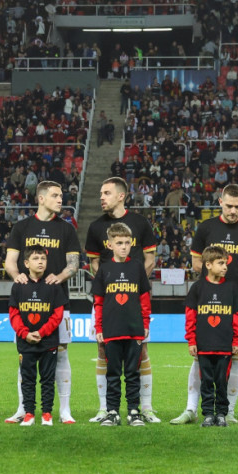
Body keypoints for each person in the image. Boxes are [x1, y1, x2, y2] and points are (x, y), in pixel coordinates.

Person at [171, 183, 238, 425]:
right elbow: (196, 263)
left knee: (237, 354)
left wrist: (233, 285)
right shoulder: (206, 227)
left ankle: (228, 410)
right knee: (200, 357)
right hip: (208, 302)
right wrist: (215, 285)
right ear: (220, 202)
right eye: (229, 206)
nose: (233, 211)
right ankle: (191, 409)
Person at [4, 181, 82, 424]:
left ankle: (64, 410)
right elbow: (10, 260)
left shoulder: (67, 229)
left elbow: (74, 263)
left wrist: (60, 277)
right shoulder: (22, 227)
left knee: (61, 354)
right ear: (41, 198)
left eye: (61, 195)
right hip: (27, 303)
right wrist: (16, 275)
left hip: (57, 302)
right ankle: (23, 408)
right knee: (25, 357)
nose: (61, 200)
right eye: (56, 195)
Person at [85, 177, 158, 423]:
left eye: (106, 193)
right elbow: (95, 262)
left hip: (135, 299)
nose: (101, 197)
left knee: (141, 351)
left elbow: (150, 259)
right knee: (103, 349)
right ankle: (105, 408)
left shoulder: (140, 223)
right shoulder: (96, 227)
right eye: (100, 193)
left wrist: (134, 282)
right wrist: (109, 283)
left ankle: (144, 408)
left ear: (121, 196)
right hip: (108, 299)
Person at [92, 223, 152, 426]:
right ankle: (112, 412)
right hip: (112, 329)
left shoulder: (137, 267)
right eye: (119, 243)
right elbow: (99, 302)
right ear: (110, 245)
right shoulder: (104, 269)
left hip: (134, 330)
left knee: (133, 374)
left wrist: (145, 323)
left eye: (127, 242)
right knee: (113, 374)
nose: (124, 246)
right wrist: (99, 328)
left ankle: (134, 411)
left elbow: (144, 298)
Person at [185, 245, 238, 427]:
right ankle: (208, 413)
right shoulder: (197, 288)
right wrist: (191, 340)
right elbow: (190, 317)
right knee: (206, 381)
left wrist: (236, 340)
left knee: (222, 381)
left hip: (225, 345)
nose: (225, 267)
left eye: (225, 263)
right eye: (220, 263)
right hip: (204, 345)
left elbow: (237, 316)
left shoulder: (232, 288)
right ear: (208, 265)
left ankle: (222, 414)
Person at [7, 246, 65, 426]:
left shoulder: (53, 285)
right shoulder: (19, 286)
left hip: (48, 341)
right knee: (28, 380)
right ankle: (29, 413)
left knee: (47, 380)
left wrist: (41, 332)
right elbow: (14, 314)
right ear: (26, 263)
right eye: (35, 258)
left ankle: (47, 413)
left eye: (43, 259)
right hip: (26, 342)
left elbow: (57, 315)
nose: (40, 262)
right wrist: (25, 334)